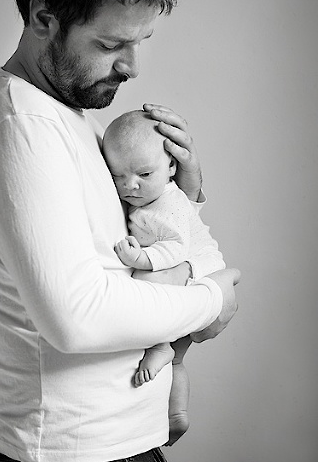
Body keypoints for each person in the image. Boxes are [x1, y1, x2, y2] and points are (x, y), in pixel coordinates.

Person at [0, 0, 240, 462]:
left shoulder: (74, 117)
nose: (132, 66)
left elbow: (116, 249)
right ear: (44, 20)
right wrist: (211, 301)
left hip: (117, 442)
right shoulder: (22, 128)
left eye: (141, 42)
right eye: (111, 45)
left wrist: (184, 191)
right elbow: (76, 317)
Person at [102, 109, 226, 445]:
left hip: (199, 268)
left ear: (172, 166)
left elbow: (174, 248)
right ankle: (176, 415)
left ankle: (159, 344)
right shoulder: (148, 196)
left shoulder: (168, 204)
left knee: (148, 283)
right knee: (178, 358)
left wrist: (140, 257)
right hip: (194, 274)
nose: (130, 185)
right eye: (118, 176)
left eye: (143, 173)